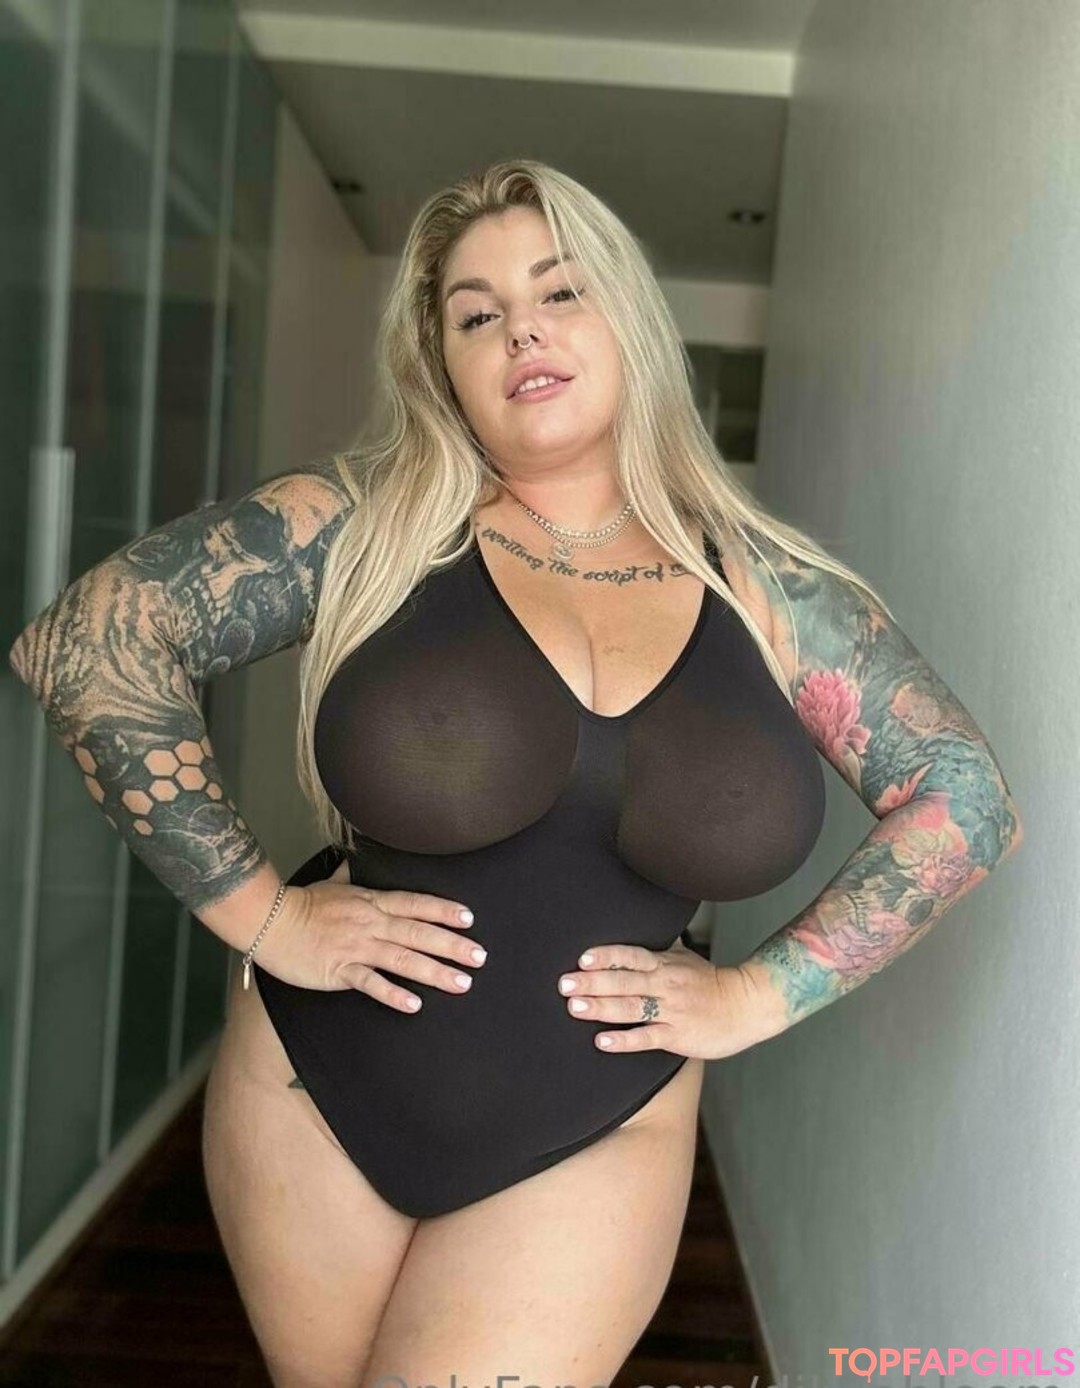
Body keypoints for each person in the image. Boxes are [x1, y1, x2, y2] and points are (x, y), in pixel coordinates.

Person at [8, 159, 1023, 1387]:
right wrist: (266, 916)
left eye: (559, 289)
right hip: (314, 1087)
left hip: (596, 1124)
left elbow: (965, 796)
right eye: (475, 313)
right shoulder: (374, 525)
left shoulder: (767, 592)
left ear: (628, 318)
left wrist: (759, 996)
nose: (521, 329)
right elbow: (91, 638)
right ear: (443, 366)